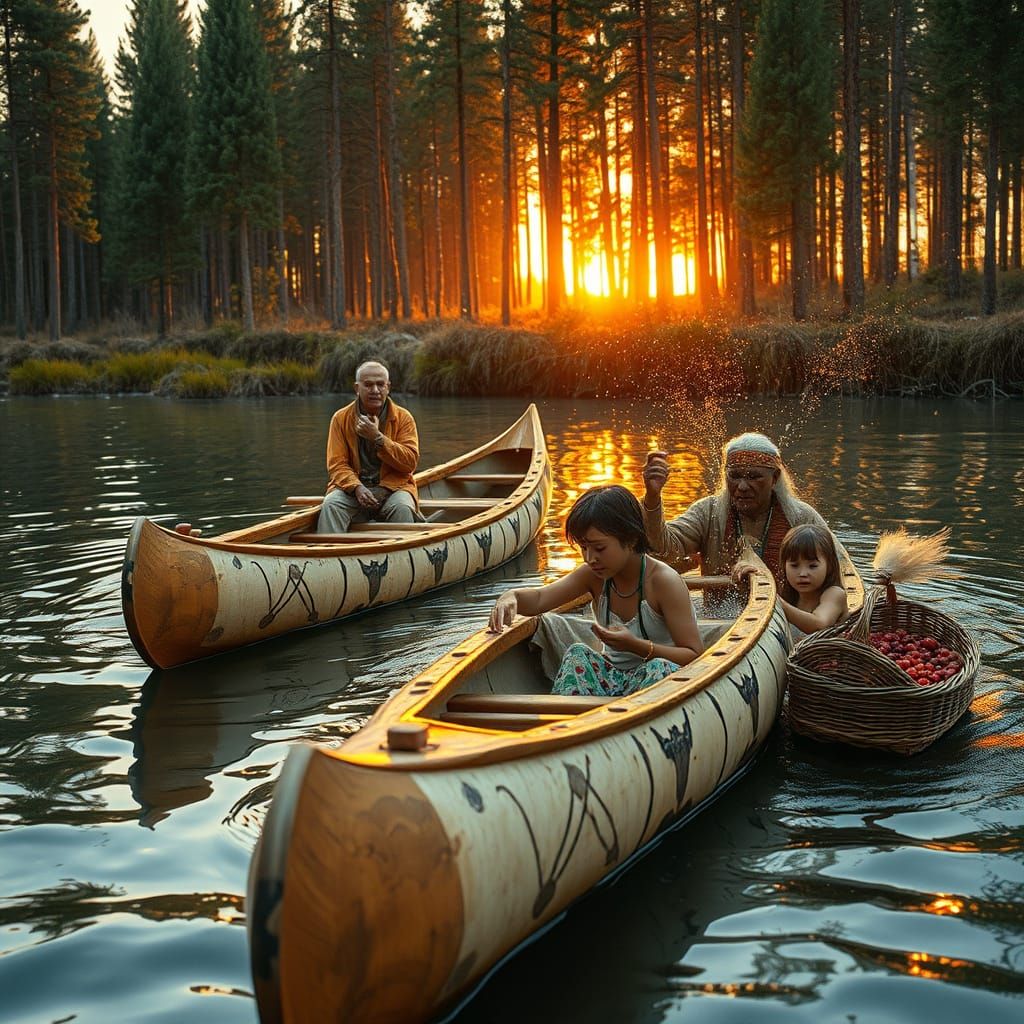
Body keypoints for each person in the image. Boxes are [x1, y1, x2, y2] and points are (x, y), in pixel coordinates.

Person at [488, 485, 704, 697]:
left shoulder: (663, 582)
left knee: (658, 667)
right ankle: (568, 723)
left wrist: (635, 645)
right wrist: (511, 596)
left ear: (631, 540)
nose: (590, 558)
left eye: (599, 548)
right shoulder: (592, 575)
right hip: (613, 678)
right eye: (584, 548)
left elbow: (693, 655)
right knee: (577, 654)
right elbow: (540, 599)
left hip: (663, 679)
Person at [640, 432, 833, 592]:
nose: (741, 486)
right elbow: (664, 550)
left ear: (774, 478)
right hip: (720, 620)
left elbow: (835, 566)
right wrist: (652, 497)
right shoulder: (708, 512)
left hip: (786, 621)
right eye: (734, 476)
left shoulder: (801, 517)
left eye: (753, 477)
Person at [315, 360, 419, 534]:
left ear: (388, 387)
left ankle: (401, 556)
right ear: (357, 388)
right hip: (353, 490)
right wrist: (357, 488)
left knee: (403, 508)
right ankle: (327, 554)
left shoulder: (404, 418)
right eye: (368, 385)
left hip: (394, 488)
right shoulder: (340, 419)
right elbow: (337, 465)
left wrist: (377, 437)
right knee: (331, 505)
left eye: (380, 384)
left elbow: (409, 463)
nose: (375, 390)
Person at [739, 523, 848, 638]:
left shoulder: (835, 594)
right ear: (784, 567)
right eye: (794, 566)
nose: (803, 574)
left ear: (829, 566)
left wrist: (775, 601)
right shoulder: (788, 594)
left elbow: (819, 625)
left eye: (812, 566)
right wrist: (747, 587)